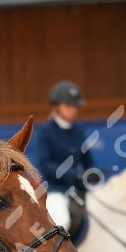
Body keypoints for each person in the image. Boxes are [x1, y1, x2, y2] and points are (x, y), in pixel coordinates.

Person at [33, 80, 95, 232]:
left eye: (75, 106)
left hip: (80, 189)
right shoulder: (45, 132)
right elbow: (46, 165)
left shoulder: (79, 132)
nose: (73, 110)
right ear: (57, 106)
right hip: (56, 189)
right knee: (62, 221)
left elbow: (88, 161)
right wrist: (75, 175)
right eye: (68, 106)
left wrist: (91, 175)